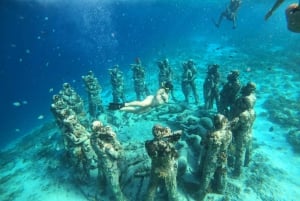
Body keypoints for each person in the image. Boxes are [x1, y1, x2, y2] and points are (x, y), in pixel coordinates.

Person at [197, 114, 232, 200]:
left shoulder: (211, 133)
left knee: (207, 174)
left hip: (212, 157)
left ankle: (201, 194)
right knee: (222, 172)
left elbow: (202, 143)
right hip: (223, 156)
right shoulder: (229, 132)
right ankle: (221, 189)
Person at [91, 120, 127, 201]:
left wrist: (106, 132)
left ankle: (100, 193)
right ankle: (121, 199)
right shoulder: (107, 147)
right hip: (110, 167)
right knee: (115, 186)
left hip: (101, 163)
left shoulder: (92, 139)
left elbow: (97, 135)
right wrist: (114, 141)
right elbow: (117, 156)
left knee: (101, 178)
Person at [144, 124, 182, 201]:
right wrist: (168, 135)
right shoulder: (168, 143)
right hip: (168, 170)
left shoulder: (149, 143)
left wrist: (167, 134)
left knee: (152, 187)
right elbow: (180, 133)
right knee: (172, 188)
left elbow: (179, 133)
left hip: (155, 169)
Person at [109, 81, 173, 114]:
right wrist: (163, 97)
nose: (169, 90)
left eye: (169, 89)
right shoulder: (162, 90)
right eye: (168, 88)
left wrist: (165, 100)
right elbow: (157, 95)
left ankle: (119, 108)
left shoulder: (167, 95)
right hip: (151, 100)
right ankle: (124, 104)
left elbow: (165, 102)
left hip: (152, 106)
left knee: (137, 111)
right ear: (166, 87)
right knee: (142, 104)